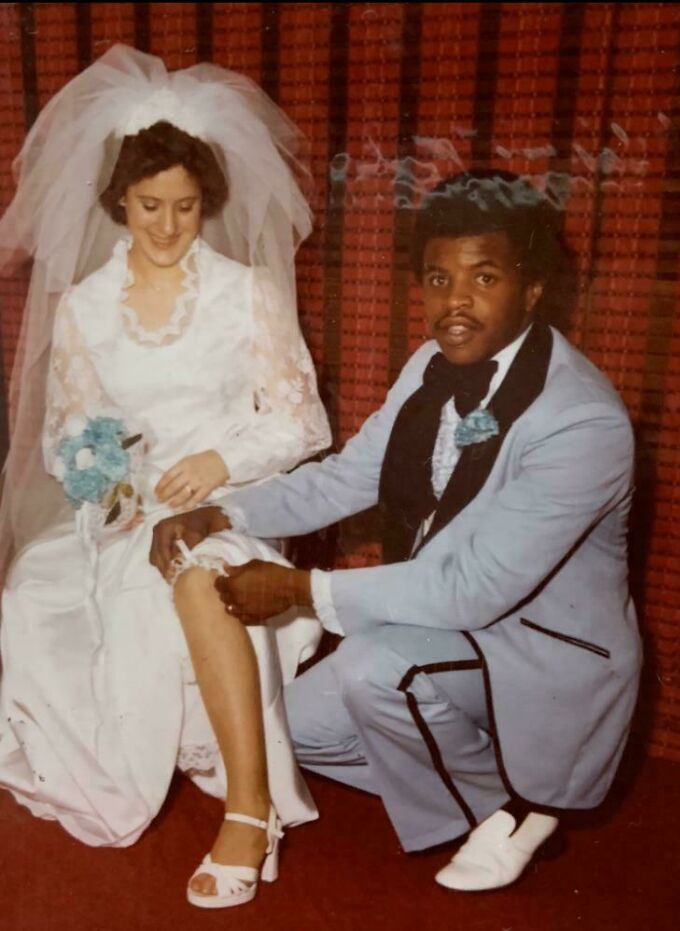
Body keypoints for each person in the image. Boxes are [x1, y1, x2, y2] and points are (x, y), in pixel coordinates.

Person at [151, 169, 643, 892]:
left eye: (484, 278)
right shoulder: (429, 366)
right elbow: (350, 477)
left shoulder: (583, 420)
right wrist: (229, 510)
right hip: (442, 627)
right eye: (439, 280)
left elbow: (472, 588)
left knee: (373, 667)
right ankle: (477, 775)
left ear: (533, 287)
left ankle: (511, 808)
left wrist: (297, 588)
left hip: (541, 655)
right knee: (280, 739)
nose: (456, 304)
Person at [0, 45, 331, 909]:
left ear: (206, 204)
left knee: (185, 578)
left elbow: (304, 424)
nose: (167, 224)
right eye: (149, 204)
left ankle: (248, 810)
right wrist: (100, 477)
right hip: (124, 513)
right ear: (118, 201)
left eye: (186, 206)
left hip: (231, 504)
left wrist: (221, 463)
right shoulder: (82, 309)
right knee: (41, 587)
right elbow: (66, 435)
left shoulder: (247, 294)